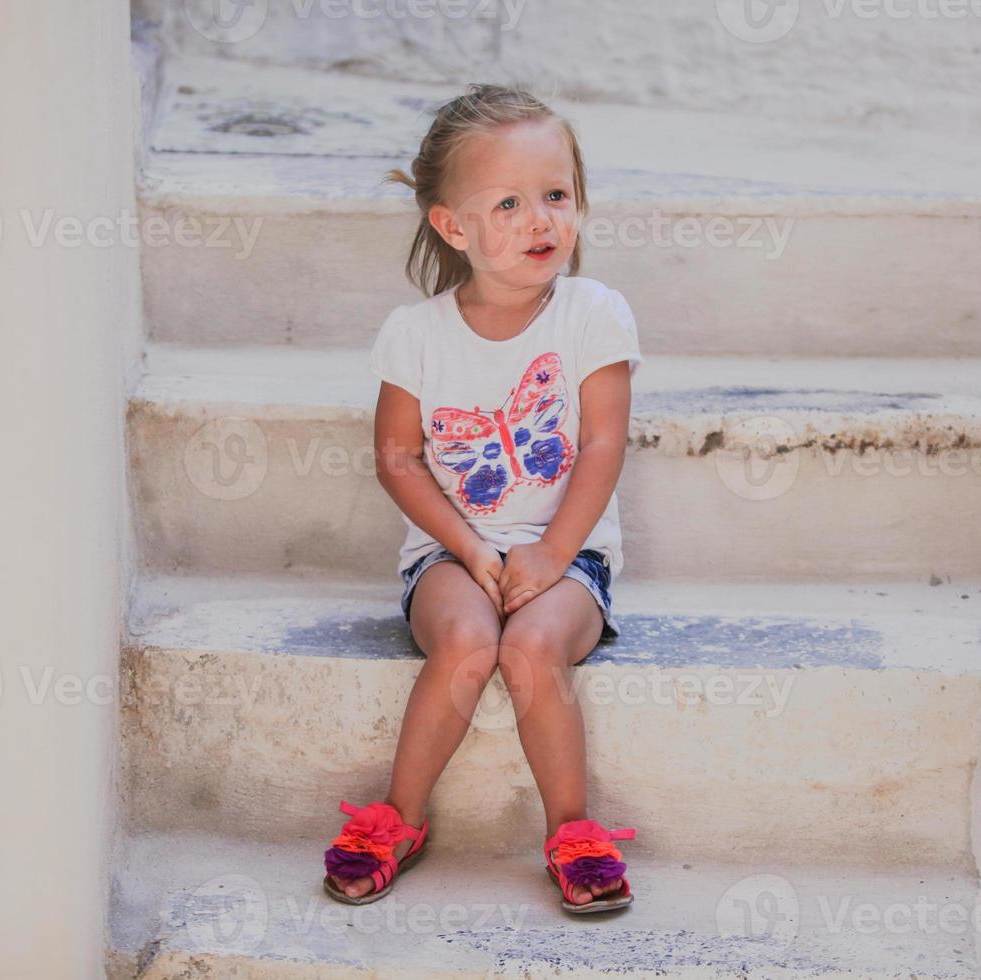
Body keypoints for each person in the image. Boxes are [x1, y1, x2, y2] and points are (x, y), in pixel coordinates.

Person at [321, 84, 643, 914]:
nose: (542, 220)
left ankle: (572, 829)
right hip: (448, 551)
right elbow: (398, 459)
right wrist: (470, 549)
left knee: (530, 648)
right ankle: (399, 815)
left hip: (571, 555)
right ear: (452, 226)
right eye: (510, 203)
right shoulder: (416, 334)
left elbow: (603, 444)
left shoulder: (593, 316)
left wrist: (550, 554)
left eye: (557, 196)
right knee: (467, 641)